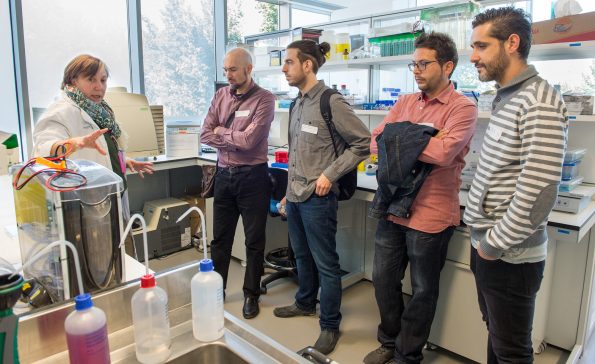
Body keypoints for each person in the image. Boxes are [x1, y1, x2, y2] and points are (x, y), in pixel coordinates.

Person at [363, 32, 477, 364]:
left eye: (424, 64)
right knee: (383, 280)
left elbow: (444, 153)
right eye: (414, 63)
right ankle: (388, 339)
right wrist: (421, 137)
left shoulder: (463, 108)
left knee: (423, 290)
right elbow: (374, 142)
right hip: (392, 207)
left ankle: (407, 353)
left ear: (448, 66)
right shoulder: (405, 102)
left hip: (432, 213)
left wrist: (398, 138)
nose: (416, 70)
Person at [464, 7, 568, 363]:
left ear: (512, 43)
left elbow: (539, 194)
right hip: (489, 245)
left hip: (509, 255)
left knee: (511, 352)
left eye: (481, 46)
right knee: (498, 336)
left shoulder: (539, 100)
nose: (473, 56)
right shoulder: (507, 96)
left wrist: (493, 244)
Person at [273, 40, 370, 354]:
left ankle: (329, 324)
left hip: (318, 198)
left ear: (307, 65)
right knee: (301, 257)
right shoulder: (296, 103)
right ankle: (304, 303)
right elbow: (295, 157)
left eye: (288, 62)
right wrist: (287, 195)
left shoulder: (331, 101)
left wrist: (330, 174)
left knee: (326, 265)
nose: (284, 68)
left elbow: (363, 143)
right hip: (297, 197)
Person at [200, 47, 275, 319]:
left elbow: (249, 142)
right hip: (223, 176)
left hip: (252, 177)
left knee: (254, 241)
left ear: (248, 69)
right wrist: (229, 134)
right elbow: (204, 134)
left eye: (233, 69)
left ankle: (251, 294)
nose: (228, 75)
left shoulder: (265, 100)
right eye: (225, 70)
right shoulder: (220, 95)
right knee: (220, 239)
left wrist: (222, 131)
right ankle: (216, 291)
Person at [33, 54, 154, 217]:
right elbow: (43, 149)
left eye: (103, 80)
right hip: (86, 202)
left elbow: (101, 150)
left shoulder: (101, 111)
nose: (99, 87)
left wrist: (122, 161)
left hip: (113, 193)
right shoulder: (61, 112)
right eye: (91, 79)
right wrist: (74, 143)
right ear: (73, 80)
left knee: (120, 240)